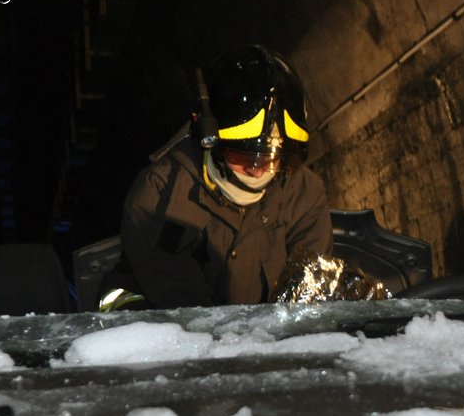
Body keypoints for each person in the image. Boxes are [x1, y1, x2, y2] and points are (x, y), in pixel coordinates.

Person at [111, 45, 332, 309]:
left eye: (271, 159)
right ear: (210, 142)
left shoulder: (302, 191)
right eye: (245, 157)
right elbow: (191, 314)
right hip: (177, 337)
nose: (258, 170)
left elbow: (307, 289)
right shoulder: (158, 200)